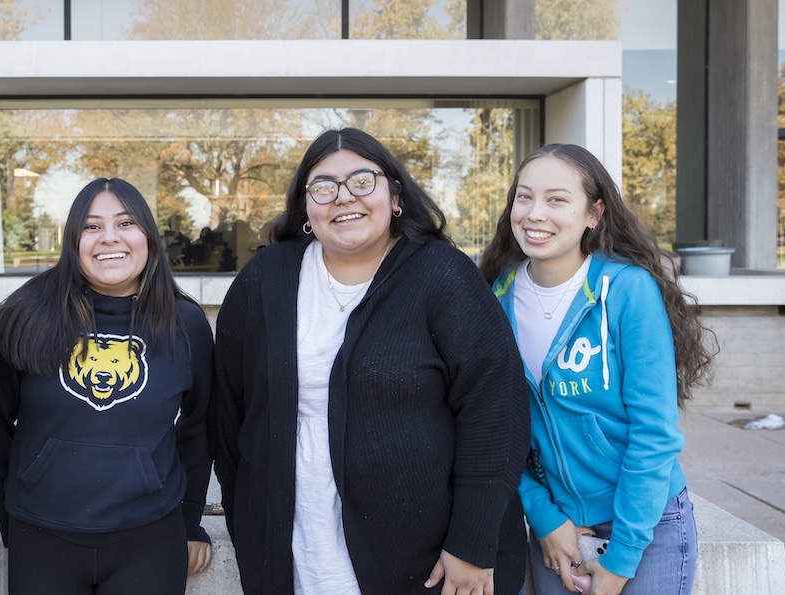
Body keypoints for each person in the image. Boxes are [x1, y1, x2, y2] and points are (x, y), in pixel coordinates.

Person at [209, 127, 530, 595]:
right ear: (306, 208)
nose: (343, 198)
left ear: (395, 196)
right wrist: (250, 530)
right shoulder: (265, 279)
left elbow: (495, 413)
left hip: (428, 564)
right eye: (323, 187)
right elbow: (229, 418)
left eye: (363, 181)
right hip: (296, 555)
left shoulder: (441, 275)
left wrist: (472, 543)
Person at [479, 143, 715, 595]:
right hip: (559, 528)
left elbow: (654, 432)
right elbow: (496, 427)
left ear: (594, 213)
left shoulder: (627, 291)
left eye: (557, 199)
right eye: (523, 197)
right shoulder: (495, 297)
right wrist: (545, 518)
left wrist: (623, 555)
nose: (534, 213)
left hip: (647, 527)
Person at [0, 178, 214, 594]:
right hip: (41, 535)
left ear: (148, 238)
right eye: (92, 226)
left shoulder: (185, 324)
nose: (109, 239)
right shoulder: (26, 314)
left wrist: (190, 521)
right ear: (73, 240)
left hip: (150, 537)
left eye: (125, 223)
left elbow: (202, 426)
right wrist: (9, 516)